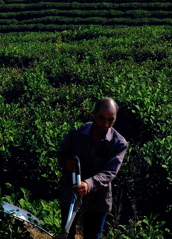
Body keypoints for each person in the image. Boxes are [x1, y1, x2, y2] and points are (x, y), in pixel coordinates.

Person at [57, 97, 128, 239]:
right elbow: (61, 153)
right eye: (102, 118)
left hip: (98, 198)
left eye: (111, 120)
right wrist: (66, 162)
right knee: (66, 233)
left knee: (93, 235)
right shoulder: (77, 133)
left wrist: (88, 184)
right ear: (94, 114)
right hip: (71, 193)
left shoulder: (119, 143)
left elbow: (109, 173)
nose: (106, 124)